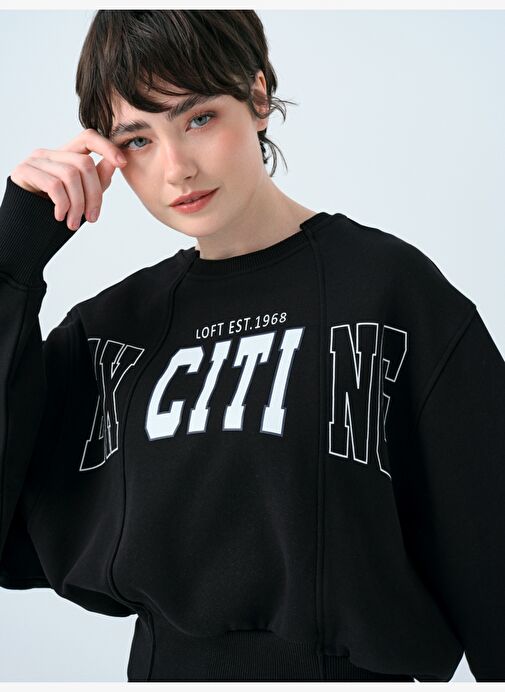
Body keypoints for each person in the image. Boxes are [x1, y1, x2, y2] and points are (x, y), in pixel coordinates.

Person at [0, 10, 504, 683]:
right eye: (138, 139)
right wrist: (11, 261)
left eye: (198, 118)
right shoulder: (110, 333)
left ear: (258, 97)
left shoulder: (387, 293)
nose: (177, 168)